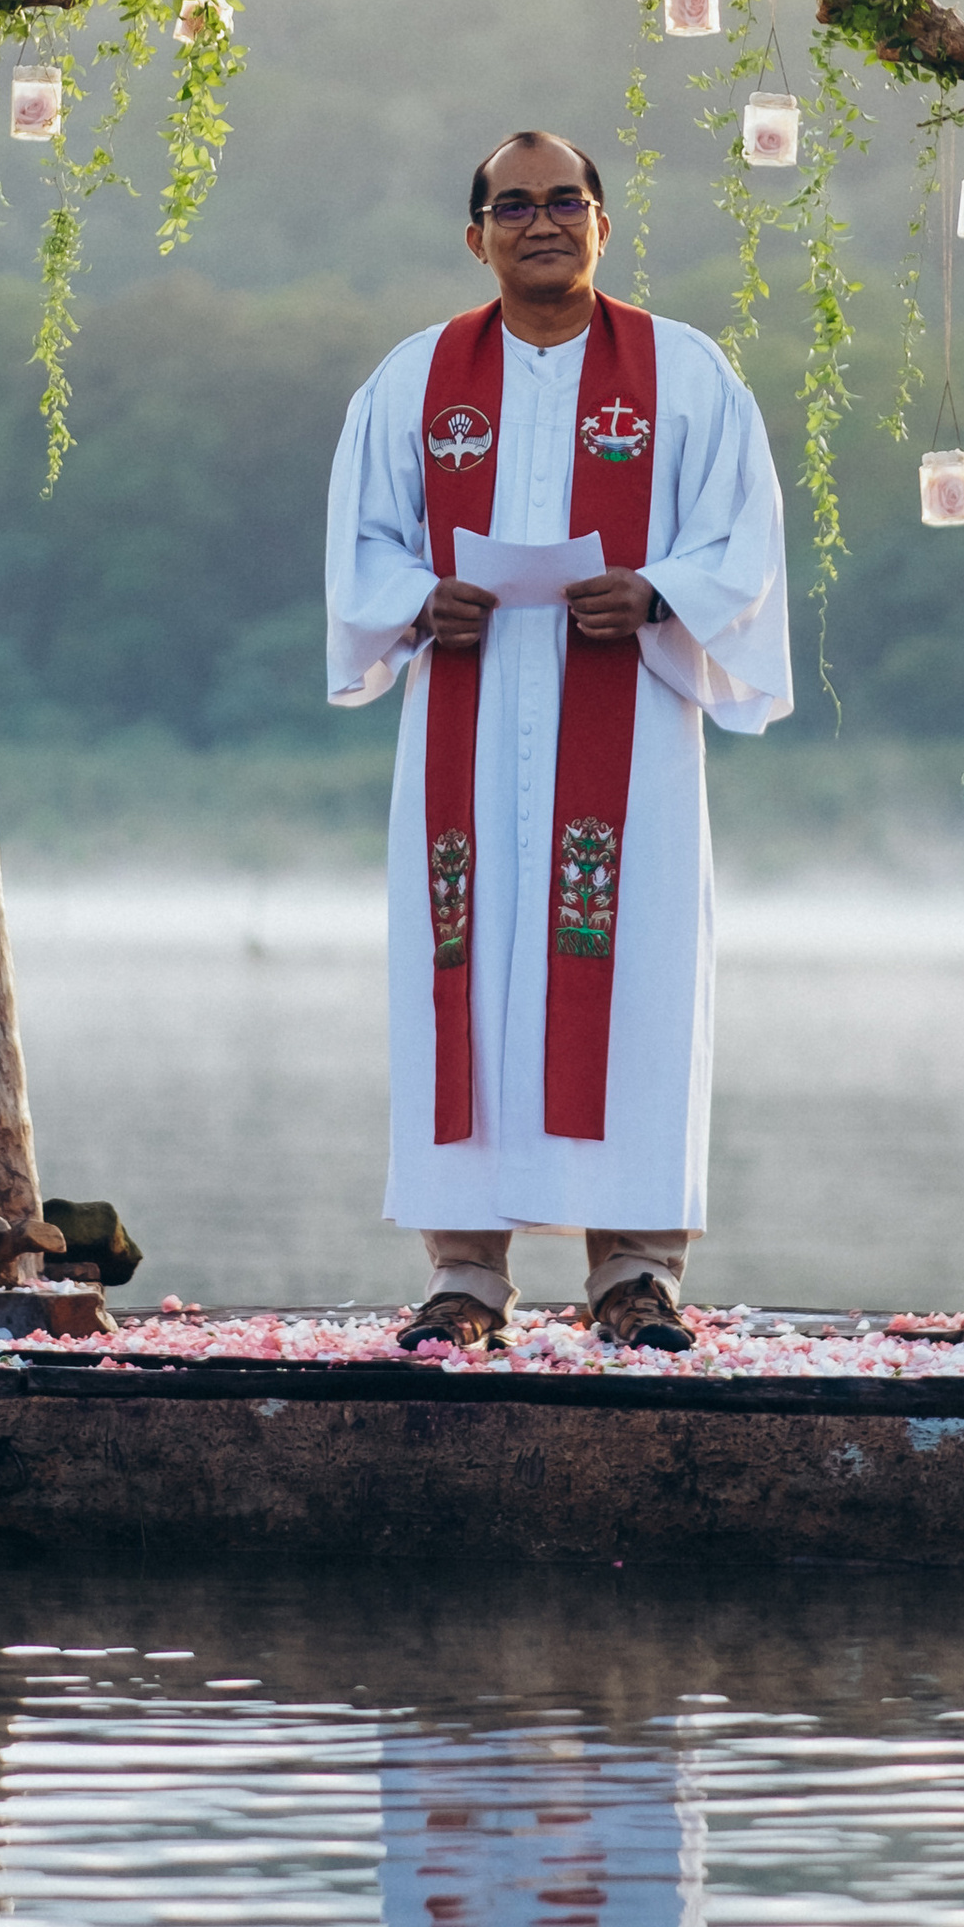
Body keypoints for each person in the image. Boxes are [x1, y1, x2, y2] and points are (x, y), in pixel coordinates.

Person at [326, 128, 791, 1352]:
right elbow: (363, 541)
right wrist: (418, 602)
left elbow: (740, 538)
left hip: (628, 726)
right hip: (462, 736)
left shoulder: (686, 376)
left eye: (566, 200)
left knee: (630, 976)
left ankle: (635, 1273)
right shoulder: (416, 380)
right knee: (461, 978)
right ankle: (466, 1275)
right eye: (514, 204)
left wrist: (654, 592)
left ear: (604, 222)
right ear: (474, 234)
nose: (543, 221)